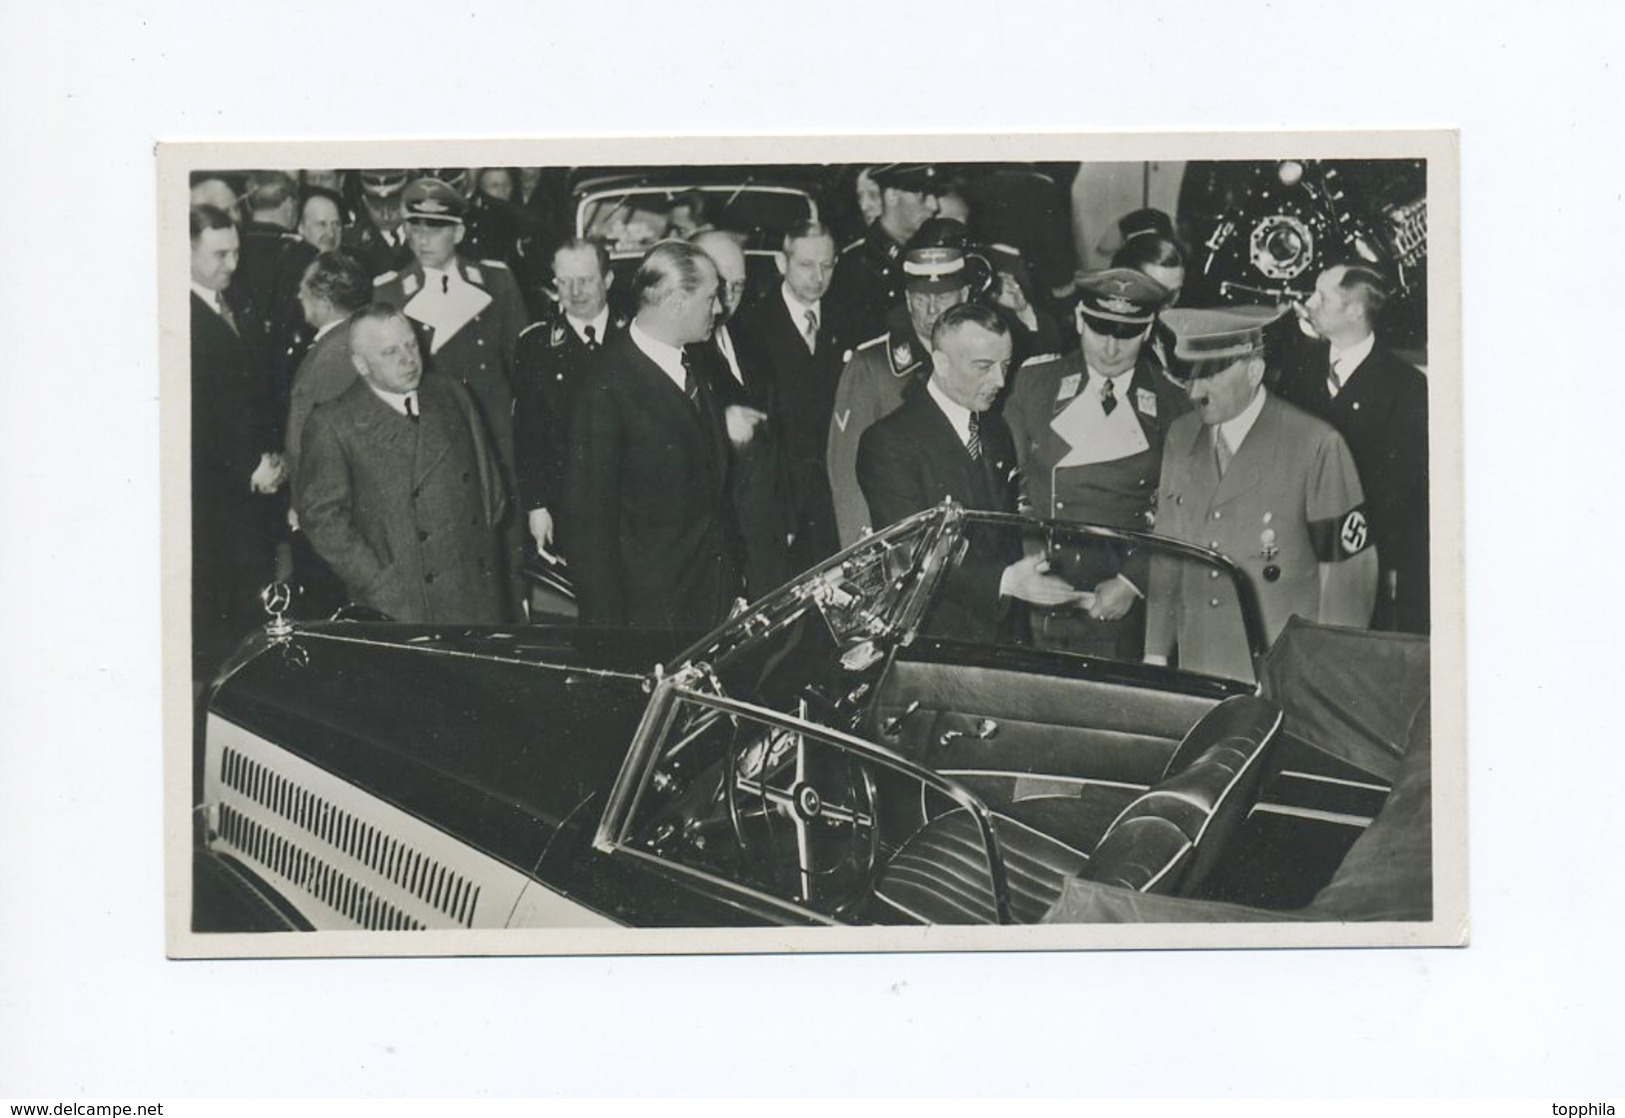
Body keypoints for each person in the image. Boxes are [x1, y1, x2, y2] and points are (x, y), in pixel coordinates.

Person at [1145, 305, 1378, 680]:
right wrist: (1155, 654)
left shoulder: (1315, 445)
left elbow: (1348, 575)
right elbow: (1168, 552)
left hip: (1281, 670)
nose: (1194, 392)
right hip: (1198, 664)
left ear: (1254, 371)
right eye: (1189, 376)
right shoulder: (1181, 436)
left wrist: (1331, 673)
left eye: (1211, 375)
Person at [857, 303, 1088, 642]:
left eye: (1005, 366)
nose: (999, 380)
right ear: (941, 362)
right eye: (983, 367)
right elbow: (911, 555)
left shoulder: (994, 430)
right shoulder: (889, 442)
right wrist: (1005, 580)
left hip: (1004, 635)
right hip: (938, 641)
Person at [1004, 268, 1188, 659]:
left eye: (1127, 335)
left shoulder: (1173, 403)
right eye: (1099, 330)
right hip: (1038, 589)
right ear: (1079, 320)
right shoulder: (1036, 382)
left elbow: (1181, 507)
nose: (1110, 348)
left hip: (1118, 601)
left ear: (1149, 328)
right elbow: (1006, 481)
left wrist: (1132, 581)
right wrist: (1028, 561)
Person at [563, 241, 742, 632]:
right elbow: (589, 527)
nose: (718, 309)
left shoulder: (701, 363)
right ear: (678, 301)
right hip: (650, 618)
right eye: (710, 297)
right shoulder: (605, 387)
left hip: (712, 601)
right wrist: (612, 637)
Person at [295, 304, 509, 625]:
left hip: (475, 591)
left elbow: (489, 484)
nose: (408, 359)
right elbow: (322, 520)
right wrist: (377, 580)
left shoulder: (450, 393)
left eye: (411, 344)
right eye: (390, 352)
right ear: (362, 364)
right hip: (403, 602)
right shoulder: (333, 423)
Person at [1278, 262, 1429, 632]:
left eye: (1322, 297)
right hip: (1293, 553)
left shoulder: (1405, 388)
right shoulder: (1298, 366)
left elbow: (1397, 489)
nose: (1309, 302)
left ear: (1355, 310)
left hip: (1362, 561)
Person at [826, 220, 975, 547]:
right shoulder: (873, 367)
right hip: (901, 549)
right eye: (921, 298)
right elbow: (847, 479)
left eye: (944, 297)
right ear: (907, 300)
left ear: (965, 296)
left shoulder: (979, 363)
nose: (932, 310)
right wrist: (866, 562)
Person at [189, 204, 285, 682]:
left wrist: (271, 455)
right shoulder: (177, 318)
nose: (231, 264)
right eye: (219, 254)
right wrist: (246, 468)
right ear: (184, 249)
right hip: (214, 500)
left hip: (253, 493)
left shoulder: (239, 305)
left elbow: (258, 393)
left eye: (236, 253)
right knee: (217, 628)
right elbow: (193, 424)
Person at [733, 219, 851, 570]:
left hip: (837, 494)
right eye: (805, 265)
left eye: (826, 265)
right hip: (784, 501)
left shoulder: (851, 319)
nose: (818, 276)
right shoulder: (750, 326)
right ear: (781, 263)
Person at [513, 237, 628, 560]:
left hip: (635, 499)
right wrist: (536, 505)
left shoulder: (636, 333)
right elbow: (528, 432)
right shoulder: (535, 345)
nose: (575, 292)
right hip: (570, 503)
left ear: (607, 279)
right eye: (565, 282)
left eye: (585, 280)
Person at [689, 230, 788, 599]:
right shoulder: (681, 351)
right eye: (721, 284)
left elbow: (775, 431)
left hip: (763, 530)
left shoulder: (750, 340)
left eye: (740, 285)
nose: (729, 298)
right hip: (718, 541)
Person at [826, 163, 943, 343]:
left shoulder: (929, 254)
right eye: (923, 196)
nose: (934, 206)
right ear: (891, 196)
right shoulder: (856, 265)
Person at [1110, 226, 1185, 381]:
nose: (1169, 304)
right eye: (1159, 293)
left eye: (1175, 293)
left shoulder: (1170, 332)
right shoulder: (1110, 345)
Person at [296, 187, 345, 254]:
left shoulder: (354, 262)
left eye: (336, 224)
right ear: (301, 228)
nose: (331, 234)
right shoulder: (286, 263)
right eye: (322, 224)